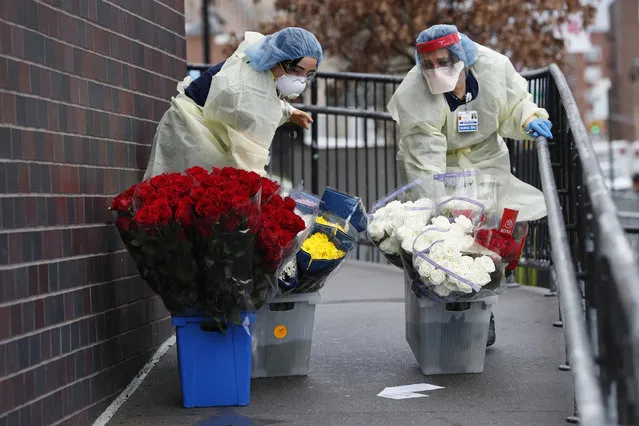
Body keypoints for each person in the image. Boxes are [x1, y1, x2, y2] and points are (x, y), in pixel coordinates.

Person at [388, 24, 553, 347]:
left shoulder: (493, 68)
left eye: (443, 61)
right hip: (443, 169)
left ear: (462, 58)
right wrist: (441, 213)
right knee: (457, 240)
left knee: (503, 232)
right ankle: (458, 311)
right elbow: (425, 163)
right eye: (429, 64)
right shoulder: (413, 94)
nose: (436, 70)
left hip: (489, 162)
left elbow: (514, 101)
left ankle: (485, 302)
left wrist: (528, 117)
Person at [144, 27, 323, 179]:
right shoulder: (246, 85)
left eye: (308, 74)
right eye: (295, 70)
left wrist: (287, 111)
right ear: (276, 58)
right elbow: (249, 154)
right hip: (188, 133)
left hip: (202, 129)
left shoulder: (258, 67)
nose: (300, 80)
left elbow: (264, 100)